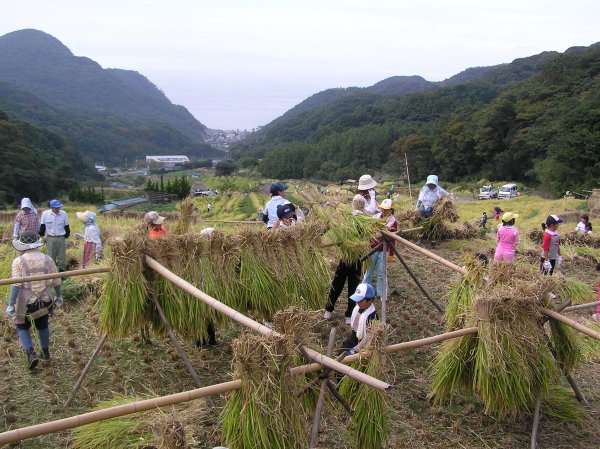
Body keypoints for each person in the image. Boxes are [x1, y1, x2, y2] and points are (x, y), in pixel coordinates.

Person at [5, 232, 62, 369]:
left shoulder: (18, 261)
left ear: (23, 246)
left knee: (21, 326)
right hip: (45, 299)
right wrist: (58, 296)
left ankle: (31, 354)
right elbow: (56, 280)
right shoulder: (47, 259)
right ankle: (45, 352)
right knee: (42, 325)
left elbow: (17, 284)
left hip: (27, 303)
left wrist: (11, 304)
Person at [324, 196, 366, 323]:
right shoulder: (366, 220)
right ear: (363, 205)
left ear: (353, 204)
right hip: (358, 258)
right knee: (353, 287)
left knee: (337, 285)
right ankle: (349, 315)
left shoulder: (347, 218)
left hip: (346, 258)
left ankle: (329, 310)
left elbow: (337, 232)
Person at [363, 198, 397, 299]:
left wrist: (391, 254)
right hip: (373, 248)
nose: (384, 211)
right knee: (369, 271)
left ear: (391, 210)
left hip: (384, 250)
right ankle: (364, 291)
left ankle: (381, 294)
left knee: (382, 273)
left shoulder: (393, 222)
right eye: (383, 209)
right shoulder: (376, 217)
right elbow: (370, 233)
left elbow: (393, 239)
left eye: (386, 209)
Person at [340, 283, 378, 355]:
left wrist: (356, 349)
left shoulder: (373, 317)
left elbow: (368, 338)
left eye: (360, 301)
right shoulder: (358, 308)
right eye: (357, 300)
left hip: (362, 347)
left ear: (370, 300)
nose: (357, 302)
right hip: (353, 339)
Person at [39, 199, 70, 271]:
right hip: (50, 238)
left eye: (59, 207)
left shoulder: (64, 214)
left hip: (61, 237)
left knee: (62, 257)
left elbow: (67, 227)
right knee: (51, 257)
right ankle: (52, 274)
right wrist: (42, 236)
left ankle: (62, 273)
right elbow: (42, 226)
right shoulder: (45, 214)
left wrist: (66, 237)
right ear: (51, 207)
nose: (58, 209)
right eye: (56, 207)